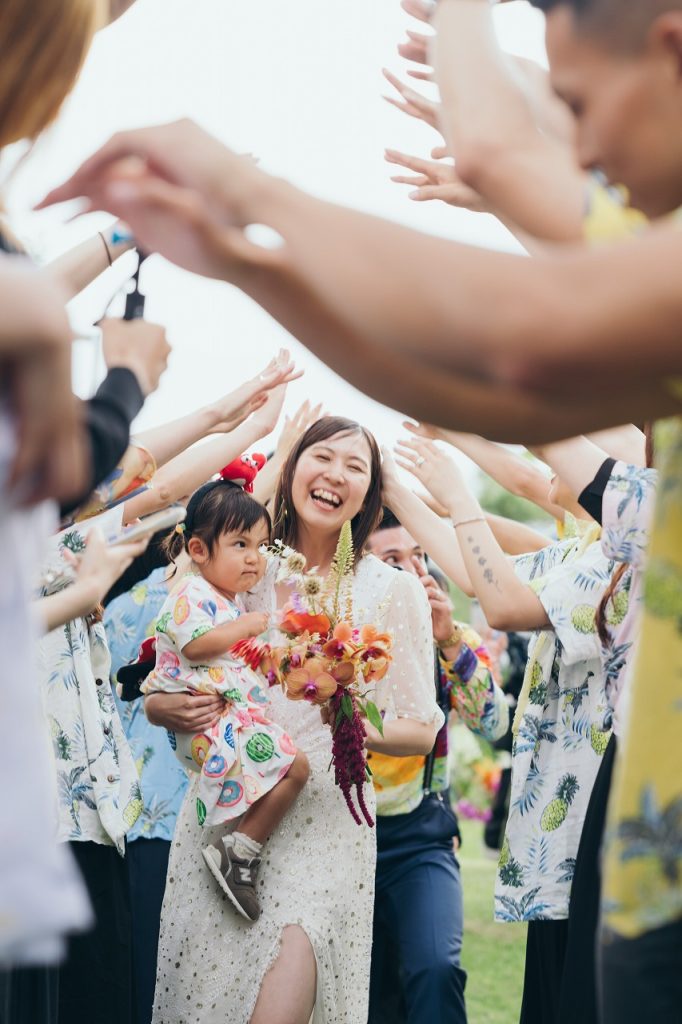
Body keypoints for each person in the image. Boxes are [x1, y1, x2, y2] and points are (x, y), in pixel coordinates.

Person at [144, 416, 444, 1024]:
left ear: (370, 491)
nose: (335, 475)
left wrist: (345, 708)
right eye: (322, 457)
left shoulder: (393, 590)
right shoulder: (241, 570)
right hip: (225, 818)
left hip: (326, 833)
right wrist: (158, 706)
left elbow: (422, 730)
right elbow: (169, 659)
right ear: (293, 466)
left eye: (355, 466)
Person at [143, 480, 309, 921]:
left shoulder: (224, 599)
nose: (254, 557)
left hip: (218, 721)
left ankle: (239, 848)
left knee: (293, 769)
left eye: (260, 544)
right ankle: (238, 852)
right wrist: (249, 626)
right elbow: (196, 647)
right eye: (240, 544)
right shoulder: (193, 594)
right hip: (206, 722)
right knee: (296, 767)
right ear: (198, 550)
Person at [366, 508, 508, 1024]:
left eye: (420, 555)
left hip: (420, 836)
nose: (417, 571)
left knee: (435, 969)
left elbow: (493, 724)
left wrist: (449, 641)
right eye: (394, 559)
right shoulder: (335, 639)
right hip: (340, 836)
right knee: (365, 996)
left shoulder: (450, 637)